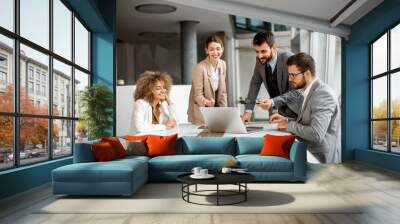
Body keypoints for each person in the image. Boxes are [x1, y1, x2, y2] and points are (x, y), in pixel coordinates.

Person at [263, 53, 340, 163]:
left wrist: (289, 125)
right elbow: (308, 122)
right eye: (289, 75)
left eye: (293, 75)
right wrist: (287, 120)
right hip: (308, 152)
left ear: (307, 73)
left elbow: (316, 133)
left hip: (319, 159)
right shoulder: (308, 90)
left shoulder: (322, 94)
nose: (290, 79)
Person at [241, 31, 297, 122]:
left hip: (294, 113)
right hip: (275, 112)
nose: (259, 56)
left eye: (263, 51)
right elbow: (255, 83)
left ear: (273, 47)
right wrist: (248, 111)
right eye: (257, 51)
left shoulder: (289, 59)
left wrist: (273, 102)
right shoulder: (260, 59)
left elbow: (295, 92)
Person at [187, 35, 227, 125]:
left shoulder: (223, 64)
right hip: (201, 111)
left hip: (215, 110)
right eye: (211, 49)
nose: (215, 52)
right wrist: (207, 102)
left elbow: (223, 91)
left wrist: (225, 113)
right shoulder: (200, 68)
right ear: (206, 51)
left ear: (222, 49)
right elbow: (197, 95)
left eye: (218, 48)